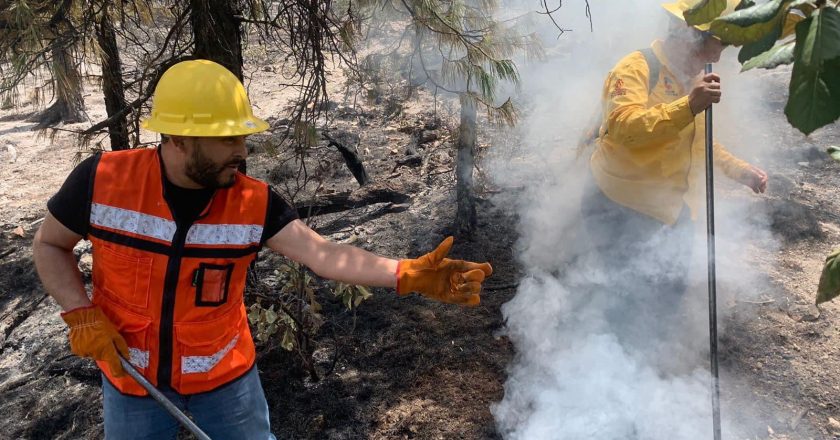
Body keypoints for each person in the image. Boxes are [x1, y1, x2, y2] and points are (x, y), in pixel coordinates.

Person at [32, 59, 493, 439]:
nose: (243, 151)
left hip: (226, 385)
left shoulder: (253, 202)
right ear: (176, 137)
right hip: (131, 380)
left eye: (243, 136)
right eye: (228, 138)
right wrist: (81, 312)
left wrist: (406, 273)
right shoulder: (104, 181)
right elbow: (50, 245)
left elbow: (324, 255)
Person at [580, 0, 769, 352]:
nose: (715, 60)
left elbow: (697, 139)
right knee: (625, 299)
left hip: (667, 210)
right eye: (713, 49)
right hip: (618, 207)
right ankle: (610, 365)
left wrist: (739, 170)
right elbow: (623, 127)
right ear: (687, 36)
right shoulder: (635, 68)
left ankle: (647, 360)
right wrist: (688, 105)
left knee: (666, 296)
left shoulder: (690, 80)